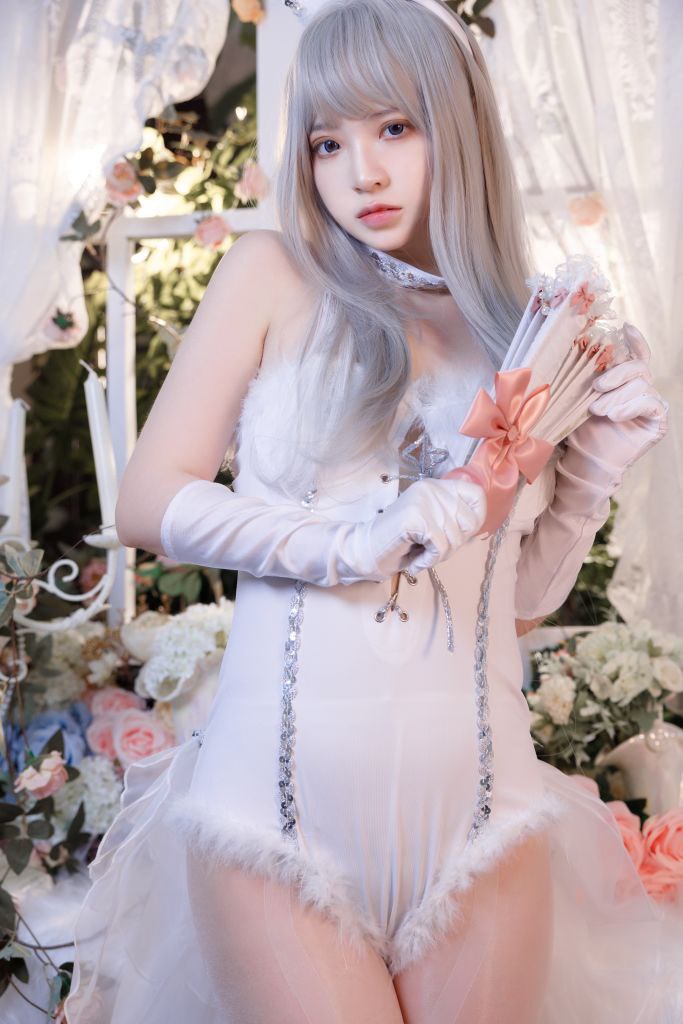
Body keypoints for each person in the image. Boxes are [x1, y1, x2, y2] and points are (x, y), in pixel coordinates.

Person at [65, 1, 677, 1021]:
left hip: (484, 816)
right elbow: (147, 497)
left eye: (394, 127)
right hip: (273, 818)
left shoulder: (521, 327)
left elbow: (510, 605)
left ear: (456, 126)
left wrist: (587, 477)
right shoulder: (270, 274)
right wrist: (352, 544)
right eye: (327, 141)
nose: (361, 172)